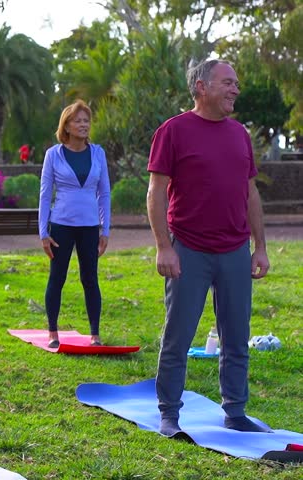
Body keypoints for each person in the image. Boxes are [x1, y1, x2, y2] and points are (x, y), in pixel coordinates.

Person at [146, 59, 271, 436]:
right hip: (189, 249)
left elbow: (250, 192)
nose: (236, 89)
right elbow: (156, 192)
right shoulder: (173, 131)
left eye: (236, 83)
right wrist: (163, 247)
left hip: (234, 250)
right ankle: (169, 413)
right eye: (228, 82)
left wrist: (260, 247)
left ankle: (235, 411)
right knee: (178, 336)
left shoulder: (239, 135)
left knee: (236, 337)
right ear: (201, 86)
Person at [38, 100, 111, 348]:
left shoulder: (98, 153)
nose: (83, 125)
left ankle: (95, 334)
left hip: (89, 226)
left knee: (90, 279)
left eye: (86, 120)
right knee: (57, 277)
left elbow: (104, 193)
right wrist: (43, 232)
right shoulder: (53, 154)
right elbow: (45, 194)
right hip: (61, 225)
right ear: (66, 126)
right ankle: (52, 332)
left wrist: (105, 229)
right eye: (78, 121)